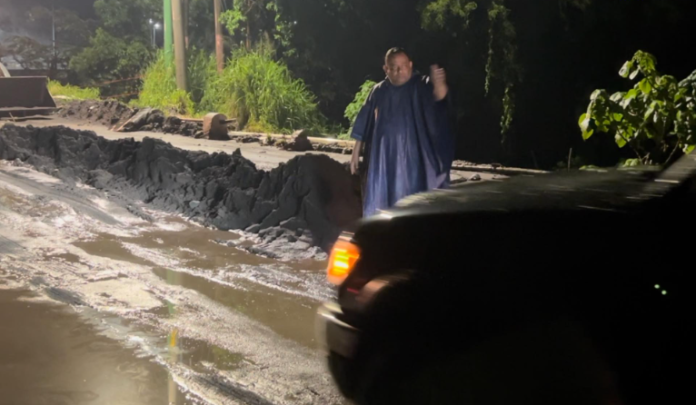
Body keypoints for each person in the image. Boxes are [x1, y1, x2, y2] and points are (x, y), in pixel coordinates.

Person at [350, 47, 454, 217]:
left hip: (413, 155)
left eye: (402, 66)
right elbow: (364, 119)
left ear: (410, 65)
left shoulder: (420, 85)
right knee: (383, 192)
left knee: (411, 191)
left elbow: (438, 99)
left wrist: (440, 85)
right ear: (386, 69)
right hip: (383, 156)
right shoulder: (379, 90)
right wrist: (356, 152)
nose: (398, 71)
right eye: (393, 67)